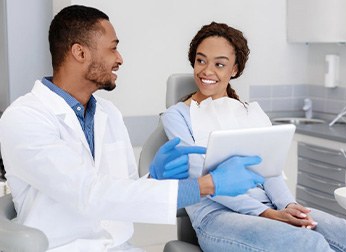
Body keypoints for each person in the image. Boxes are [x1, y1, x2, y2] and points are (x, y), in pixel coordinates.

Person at [0, 7, 265, 252]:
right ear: (80, 53)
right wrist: (206, 185)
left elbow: (122, 194)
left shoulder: (108, 114)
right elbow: (89, 193)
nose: (120, 59)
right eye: (112, 49)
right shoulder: (25, 118)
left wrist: (153, 180)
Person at [161, 21, 346, 252]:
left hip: (269, 206)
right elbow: (199, 176)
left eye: (219, 64)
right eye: (201, 60)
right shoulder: (177, 116)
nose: (207, 71)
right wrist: (267, 214)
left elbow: (270, 171)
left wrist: (289, 206)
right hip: (216, 216)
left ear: (234, 70)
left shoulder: (249, 112)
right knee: (307, 242)